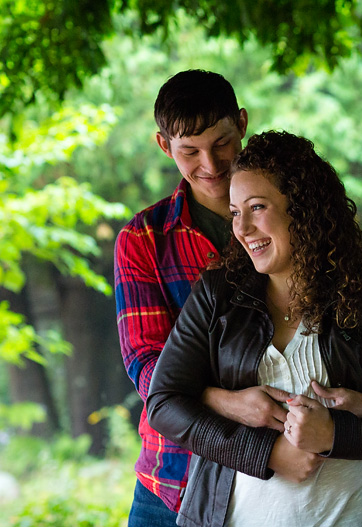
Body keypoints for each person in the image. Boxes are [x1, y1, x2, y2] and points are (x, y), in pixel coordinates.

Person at [146, 130, 362, 527]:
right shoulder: (217, 295)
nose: (242, 228)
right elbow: (163, 403)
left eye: (257, 207)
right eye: (234, 212)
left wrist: (336, 436)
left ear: (302, 209)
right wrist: (264, 453)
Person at [115, 70, 283, 526]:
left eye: (222, 142)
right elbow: (146, 364)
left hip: (275, 474)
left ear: (243, 123)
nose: (211, 165)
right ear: (164, 146)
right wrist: (227, 402)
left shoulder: (285, 221)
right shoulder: (143, 239)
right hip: (172, 479)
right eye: (190, 151)